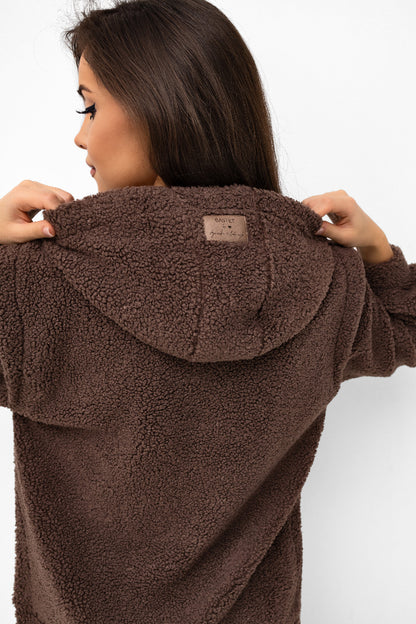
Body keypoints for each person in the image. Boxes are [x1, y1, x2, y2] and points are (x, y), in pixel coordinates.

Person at [0, 1, 414, 623]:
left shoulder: (35, 281)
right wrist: (377, 253)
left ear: (158, 108)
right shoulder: (327, 281)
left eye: (89, 107)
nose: (80, 136)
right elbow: (407, 329)